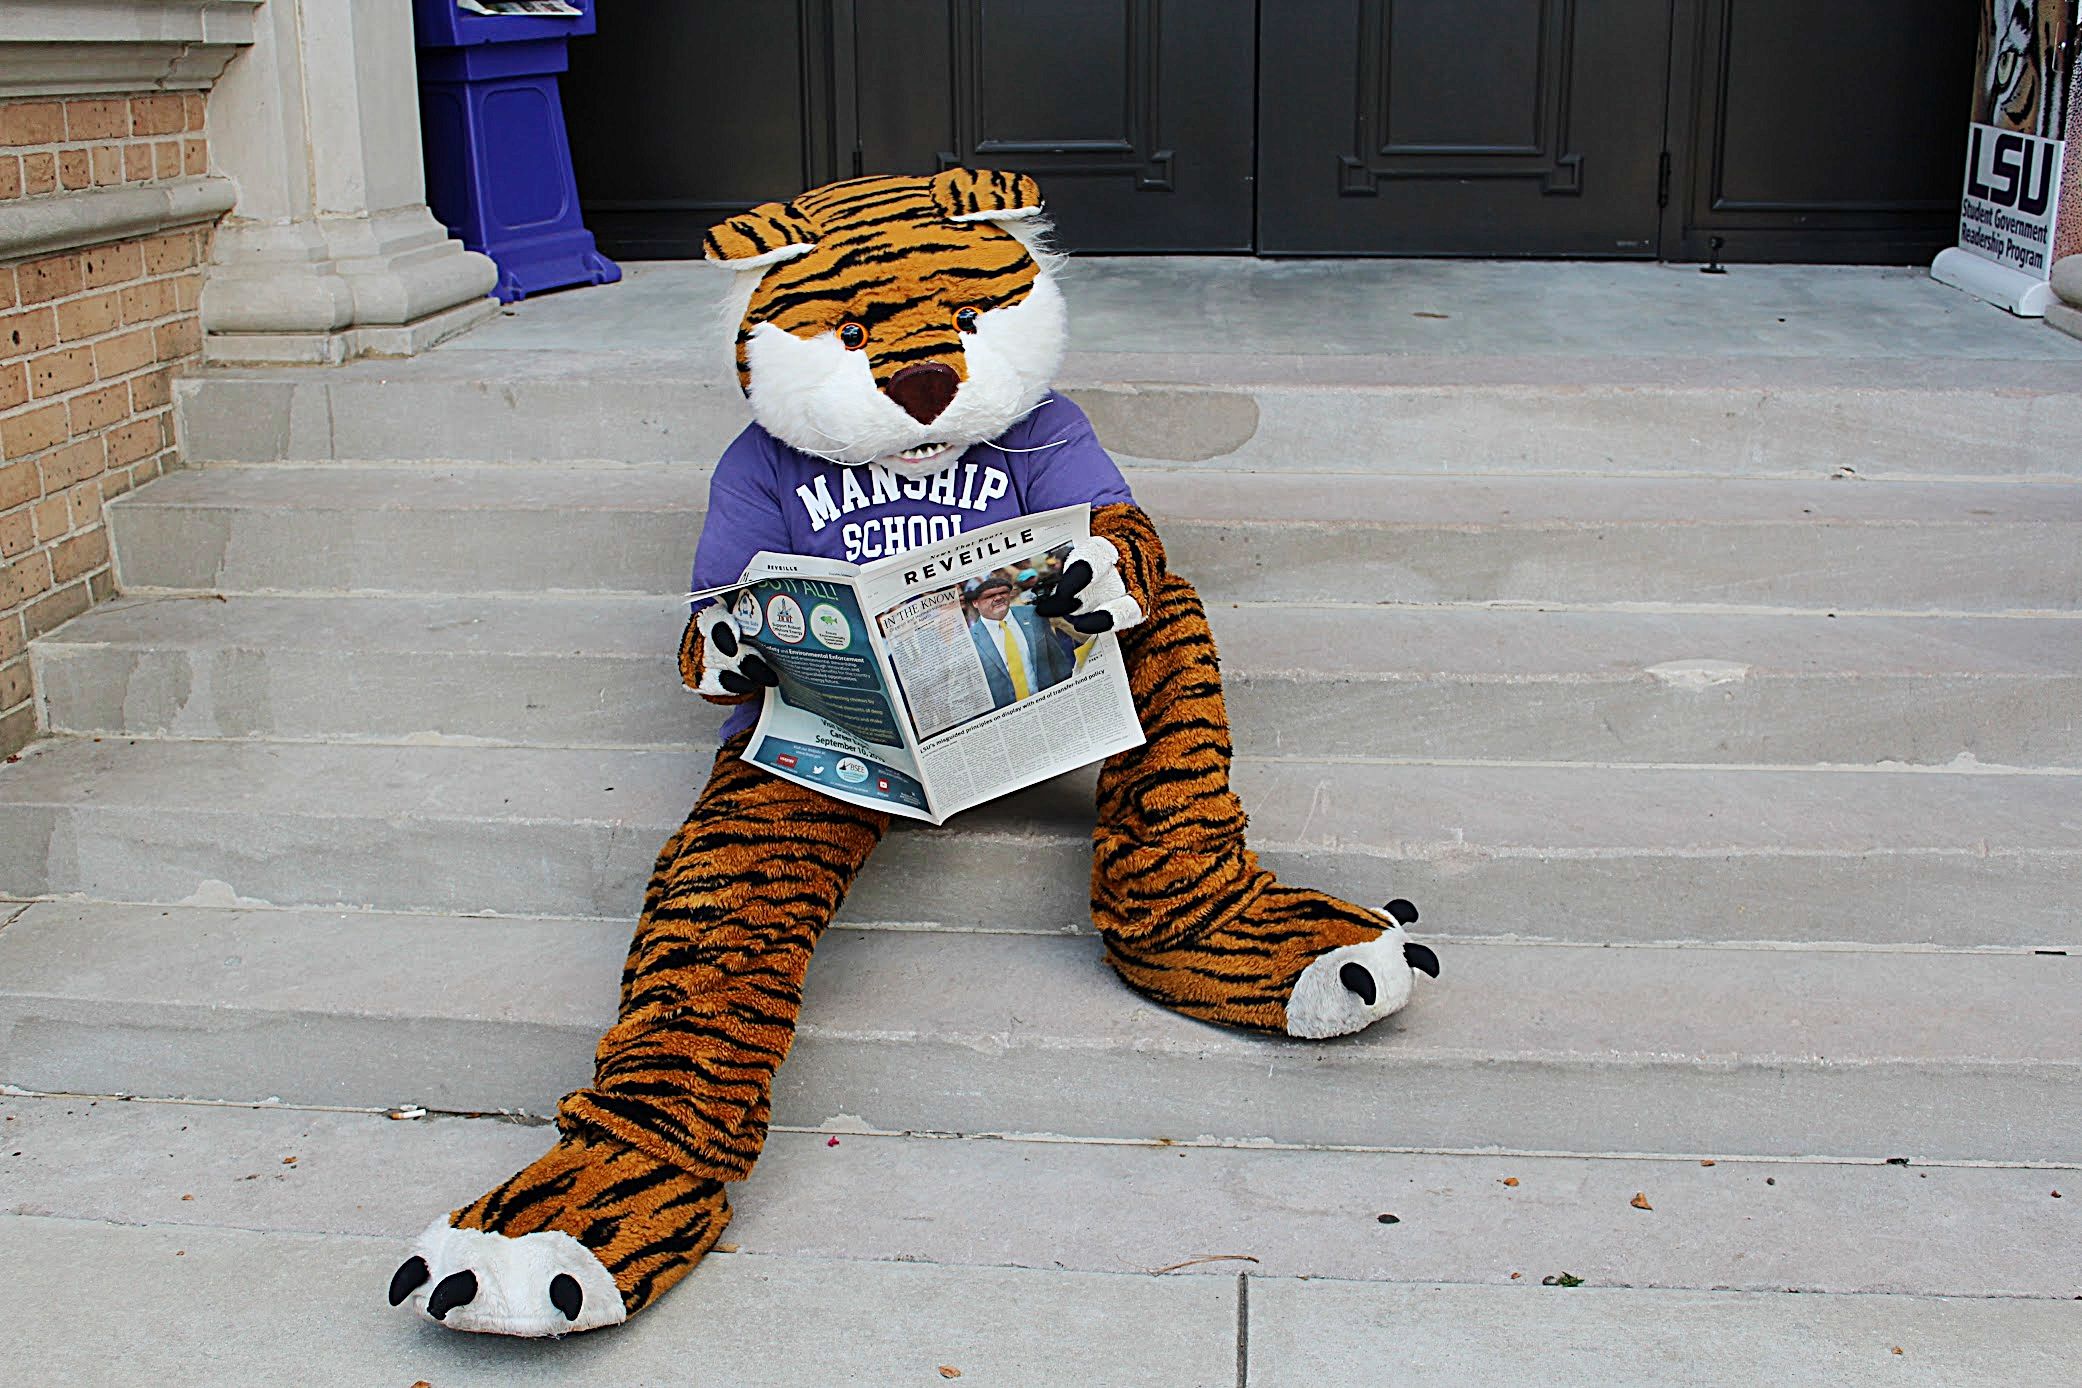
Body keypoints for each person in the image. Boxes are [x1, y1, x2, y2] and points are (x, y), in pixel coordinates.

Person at [966, 573, 1074, 708]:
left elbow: (1058, 661)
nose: (998, 598)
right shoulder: (969, 640)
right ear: (975, 602)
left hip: (1050, 704)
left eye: (1003, 592)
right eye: (989, 596)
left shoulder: (1034, 615)